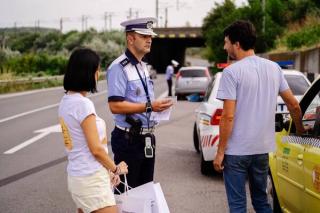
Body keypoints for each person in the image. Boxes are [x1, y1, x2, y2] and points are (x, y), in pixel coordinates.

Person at [213, 20, 305, 213]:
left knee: (238, 207)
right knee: (262, 202)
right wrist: (301, 130)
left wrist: (220, 152)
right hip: (262, 149)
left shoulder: (231, 72)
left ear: (236, 44)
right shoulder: (274, 69)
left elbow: (228, 117)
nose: (225, 46)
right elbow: (294, 105)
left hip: (236, 151)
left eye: (226, 42)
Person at [106, 17, 173, 192]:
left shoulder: (143, 66)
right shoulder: (118, 67)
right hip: (129, 140)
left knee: (145, 194)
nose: (149, 39)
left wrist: (158, 107)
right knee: (126, 196)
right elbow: (115, 106)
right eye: (144, 36)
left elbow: (145, 102)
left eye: (150, 35)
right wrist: (151, 107)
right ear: (130, 39)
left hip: (147, 138)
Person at [59, 48, 128, 213]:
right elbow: (96, 149)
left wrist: (107, 173)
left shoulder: (66, 101)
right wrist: (116, 169)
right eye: (97, 71)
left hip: (78, 176)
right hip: (91, 180)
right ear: (89, 74)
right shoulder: (83, 104)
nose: (98, 75)